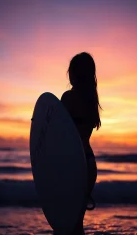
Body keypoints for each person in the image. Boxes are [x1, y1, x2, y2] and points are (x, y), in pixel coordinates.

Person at [61, 52, 102, 234]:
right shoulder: (91, 100)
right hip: (89, 164)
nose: (68, 74)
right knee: (77, 223)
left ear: (76, 73)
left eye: (71, 70)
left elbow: (58, 133)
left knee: (66, 224)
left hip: (74, 165)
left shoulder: (68, 98)